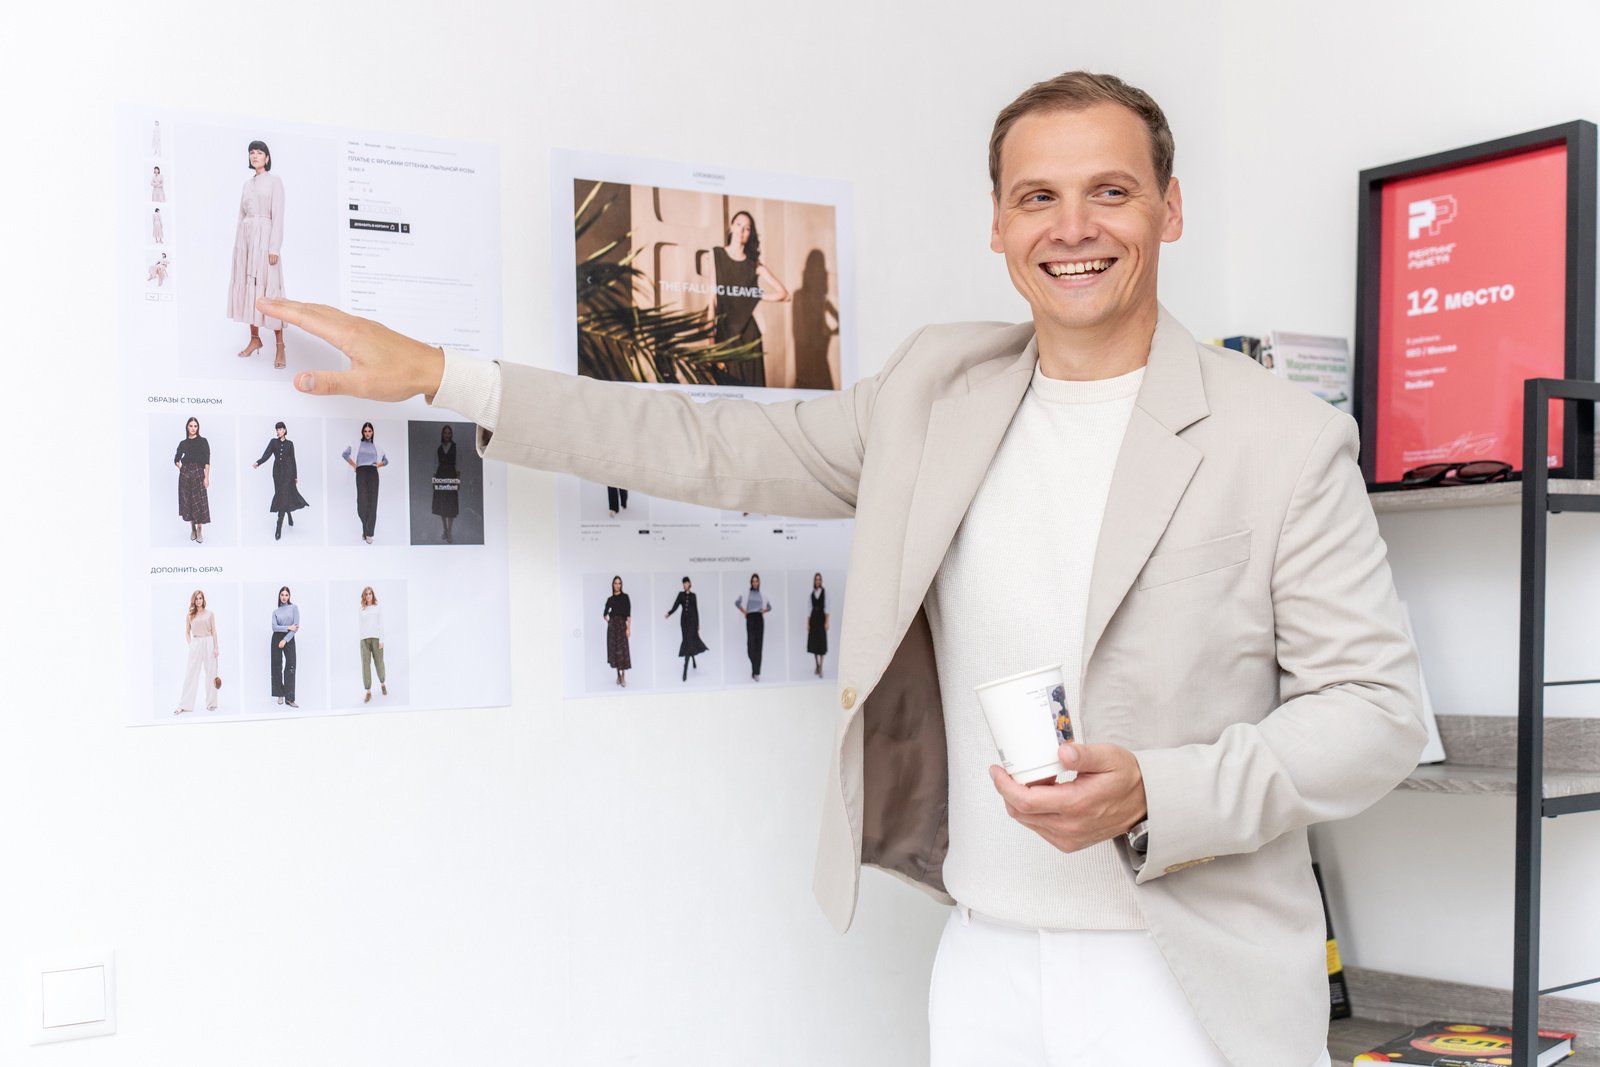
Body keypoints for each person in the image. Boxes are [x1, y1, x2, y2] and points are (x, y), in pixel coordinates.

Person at [263, 71, 1424, 1067]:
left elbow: (1375, 711)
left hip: (1184, 972)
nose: (1073, 227)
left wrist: (1158, 791)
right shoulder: (933, 391)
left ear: (1168, 209)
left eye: (1109, 191)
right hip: (984, 959)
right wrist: (449, 376)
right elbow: (710, 445)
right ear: (997, 223)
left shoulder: (1281, 437)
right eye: (1038, 196)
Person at [709, 209, 790, 387]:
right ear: (731, 227)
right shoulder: (716, 255)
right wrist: (711, 343)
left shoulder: (753, 265)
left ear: (749, 234)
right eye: (739, 225)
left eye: (747, 228)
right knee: (726, 390)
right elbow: (712, 300)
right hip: (725, 335)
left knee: (751, 390)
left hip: (749, 337)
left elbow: (784, 294)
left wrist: (756, 294)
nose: (741, 230)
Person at [228, 139, 288, 368]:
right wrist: (238, 248)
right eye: (252, 152)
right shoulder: (247, 184)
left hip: (265, 240)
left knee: (269, 290)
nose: (255, 156)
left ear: (267, 157)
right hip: (246, 241)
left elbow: (278, 215)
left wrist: (274, 247)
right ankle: (255, 339)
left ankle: (280, 345)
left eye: (259, 153)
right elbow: (241, 216)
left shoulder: (274, 181)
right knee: (249, 289)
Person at [252, 421, 309, 541]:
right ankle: (289, 514)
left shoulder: (290, 444)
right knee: (280, 495)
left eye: (281, 429)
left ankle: (279, 526)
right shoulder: (273, 442)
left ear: (285, 430)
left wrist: (295, 476)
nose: (278, 431)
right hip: (277, 473)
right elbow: (267, 454)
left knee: (284, 494)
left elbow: (293, 460)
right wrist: (258, 462)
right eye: (277, 429)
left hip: (288, 472)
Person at [175, 589, 220, 715]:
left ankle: (211, 703)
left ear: (203, 599)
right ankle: (184, 705)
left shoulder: (210, 614)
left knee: (211, 673)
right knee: (191, 673)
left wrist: (216, 647)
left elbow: (214, 631)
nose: (199, 600)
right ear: (193, 600)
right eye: (196, 598)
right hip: (196, 642)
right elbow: (187, 632)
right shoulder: (190, 615)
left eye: (200, 598)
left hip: (208, 642)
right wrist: (191, 645)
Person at [342, 421, 387, 543]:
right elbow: (345, 454)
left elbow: (386, 460)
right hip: (361, 472)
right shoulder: (356, 444)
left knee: (372, 502)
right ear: (362, 432)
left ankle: (369, 533)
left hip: (373, 473)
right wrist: (354, 465)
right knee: (362, 502)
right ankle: (365, 529)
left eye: (369, 431)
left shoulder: (376, 446)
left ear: (372, 432)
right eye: (365, 431)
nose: (367, 433)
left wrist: (378, 465)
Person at [664, 575, 709, 682]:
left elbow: (696, 610)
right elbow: (675, 605)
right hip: (684, 622)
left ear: (690, 584)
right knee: (687, 641)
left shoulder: (693, 596)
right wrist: (669, 613)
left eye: (686, 583)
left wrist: (698, 624)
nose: (685, 585)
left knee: (690, 641)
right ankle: (692, 658)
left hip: (693, 622)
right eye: (683, 583)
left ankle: (685, 669)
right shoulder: (680, 595)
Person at [173, 416, 211, 544]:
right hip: (185, 474)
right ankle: (192, 529)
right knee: (188, 501)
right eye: (191, 426)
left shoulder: (203, 441)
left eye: (195, 426)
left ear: (198, 427)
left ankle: (199, 529)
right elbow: (176, 458)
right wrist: (181, 468)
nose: (193, 428)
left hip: (199, 473)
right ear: (187, 427)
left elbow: (207, 460)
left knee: (199, 502)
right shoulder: (183, 443)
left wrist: (207, 477)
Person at [734, 573, 771, 681]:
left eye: (756, 581)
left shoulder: (762, 594)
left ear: (759, 582)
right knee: (751, 646)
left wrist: (763, 610)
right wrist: (744, 611)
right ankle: (755, 668)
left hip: (759, 618)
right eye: (753, 581)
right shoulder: (746, 593)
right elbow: (737, 603)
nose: (755, 583)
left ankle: (756, 673)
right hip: (750, 618)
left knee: (759, 646)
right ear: (751, 582)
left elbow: (769, 607)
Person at [269, 585, 299, 708]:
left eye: (286, 595)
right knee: (276, 666)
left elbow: (295, 627)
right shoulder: (275, 612)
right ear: (279, 596)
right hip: (276, 637)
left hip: (289, 638)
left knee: (291, 666)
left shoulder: (294, 608)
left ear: (289, 596)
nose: (284, 597)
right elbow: (274, 627)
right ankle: (279, 694)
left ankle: (289, 698)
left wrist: (285, 640)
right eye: (282, 595)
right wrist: (287, 627)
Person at [432, 424, 460, 543]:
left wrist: (457, 481)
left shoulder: (455, 447)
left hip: (451, 476)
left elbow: (458, 465)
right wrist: (434, 480)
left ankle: (450, 532)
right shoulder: (439, 448)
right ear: (442, 434)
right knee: (442, 504)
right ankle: (445, 529)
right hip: (441, 476)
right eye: (445, 433)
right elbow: (435, 465)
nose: (447, 435)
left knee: (451, 505)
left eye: (449, 433)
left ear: (451, 434)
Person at [359, 585, 386, 703]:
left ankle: (382, 683)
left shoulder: (377, 607)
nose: (368, 596)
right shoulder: (361, 609)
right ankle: (368, 691)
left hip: (376, 638)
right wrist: (361, 639)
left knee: (379, 663)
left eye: (370, 593)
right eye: (366, 594)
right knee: (365, 665)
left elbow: (381, 623)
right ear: (364, 596)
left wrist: (381, 640)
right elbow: (361, 625)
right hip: (364, 639)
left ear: (372, 595)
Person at [603, 576, 631, 687]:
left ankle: (623, 675)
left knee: (622, 651)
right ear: (613, 585)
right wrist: (609, 622)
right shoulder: (610, 599)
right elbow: (605, 613)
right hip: (612, 627)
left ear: (621, 584)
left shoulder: (625, 597)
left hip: (622, 626)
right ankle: (618, 675)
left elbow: (628, 615)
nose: (617, 585)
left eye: (619, 583)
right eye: (615, 583)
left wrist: (628, 628)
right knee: (615, 651)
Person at [805, 571, 829, 677]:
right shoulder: (812, 594)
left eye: (819, 579)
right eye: (816, 579)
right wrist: (808, 623)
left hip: (821, 618)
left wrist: (827, 622)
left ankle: (821, 667)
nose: (818, 581)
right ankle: (817, 665)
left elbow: (827, 608)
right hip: (814, 619)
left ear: (821, 581)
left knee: (822, 642)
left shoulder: (825, 593)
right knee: (814, 642)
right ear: (814, 581)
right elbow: (808, 609)